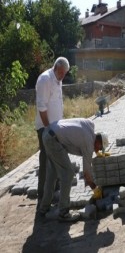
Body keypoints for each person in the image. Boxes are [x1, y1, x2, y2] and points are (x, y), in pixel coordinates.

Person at [38, 118, 109, 222]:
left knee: (52, 174)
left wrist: (97, 152)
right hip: (54, 140)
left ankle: (43, 208)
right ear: (98, 142)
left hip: (47, 133)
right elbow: (86, 173)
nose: (98, 150)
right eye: (100, 147)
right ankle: (63, 212)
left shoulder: (90, 125)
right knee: (68, 174)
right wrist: (95, 188)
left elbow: (82, 133)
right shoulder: (89, 144)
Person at [35, 57, 70, 201]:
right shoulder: (45, 80)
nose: (62, 76)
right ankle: (43, 193)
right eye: (61, 72)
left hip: (56, 127)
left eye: (64, 73)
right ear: (55, 67)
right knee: (46, 158)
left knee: (55, 157)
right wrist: (48, 128)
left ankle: (54, 188)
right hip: (45, 128)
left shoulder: (58, 80)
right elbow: (41, 107)